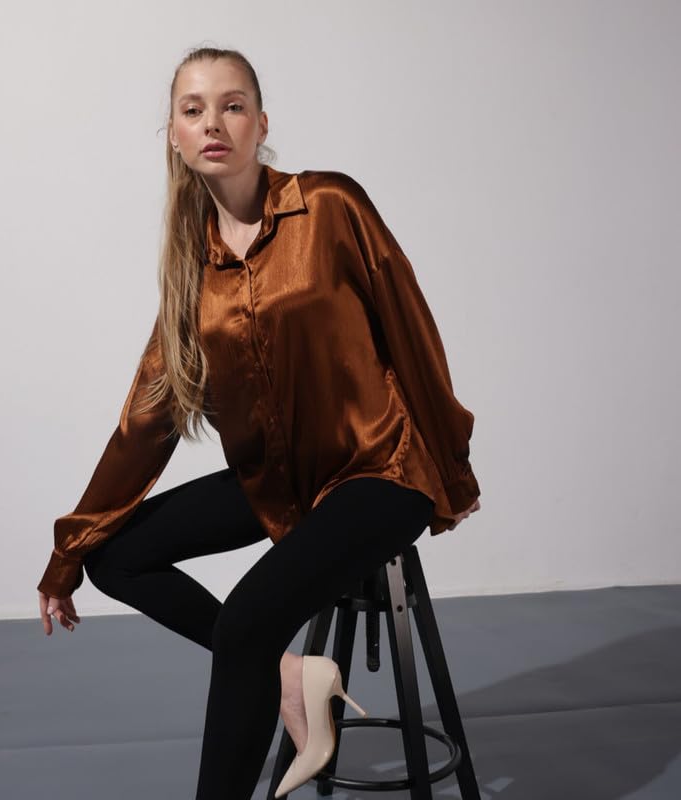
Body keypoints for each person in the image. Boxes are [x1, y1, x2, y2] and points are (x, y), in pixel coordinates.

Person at [36, 46, 481, 800]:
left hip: (379, 469)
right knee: (115, 555)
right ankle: (289, 673)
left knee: (246, 621)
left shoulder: (330, 205)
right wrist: (68, 550)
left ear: (261, 124)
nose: (214, 123)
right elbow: (146, 421)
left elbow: (413, 333)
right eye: (193, 110)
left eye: (232, 105)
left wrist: (451, 472)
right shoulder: (192, 269)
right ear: (174, 135)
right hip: (281, 479)